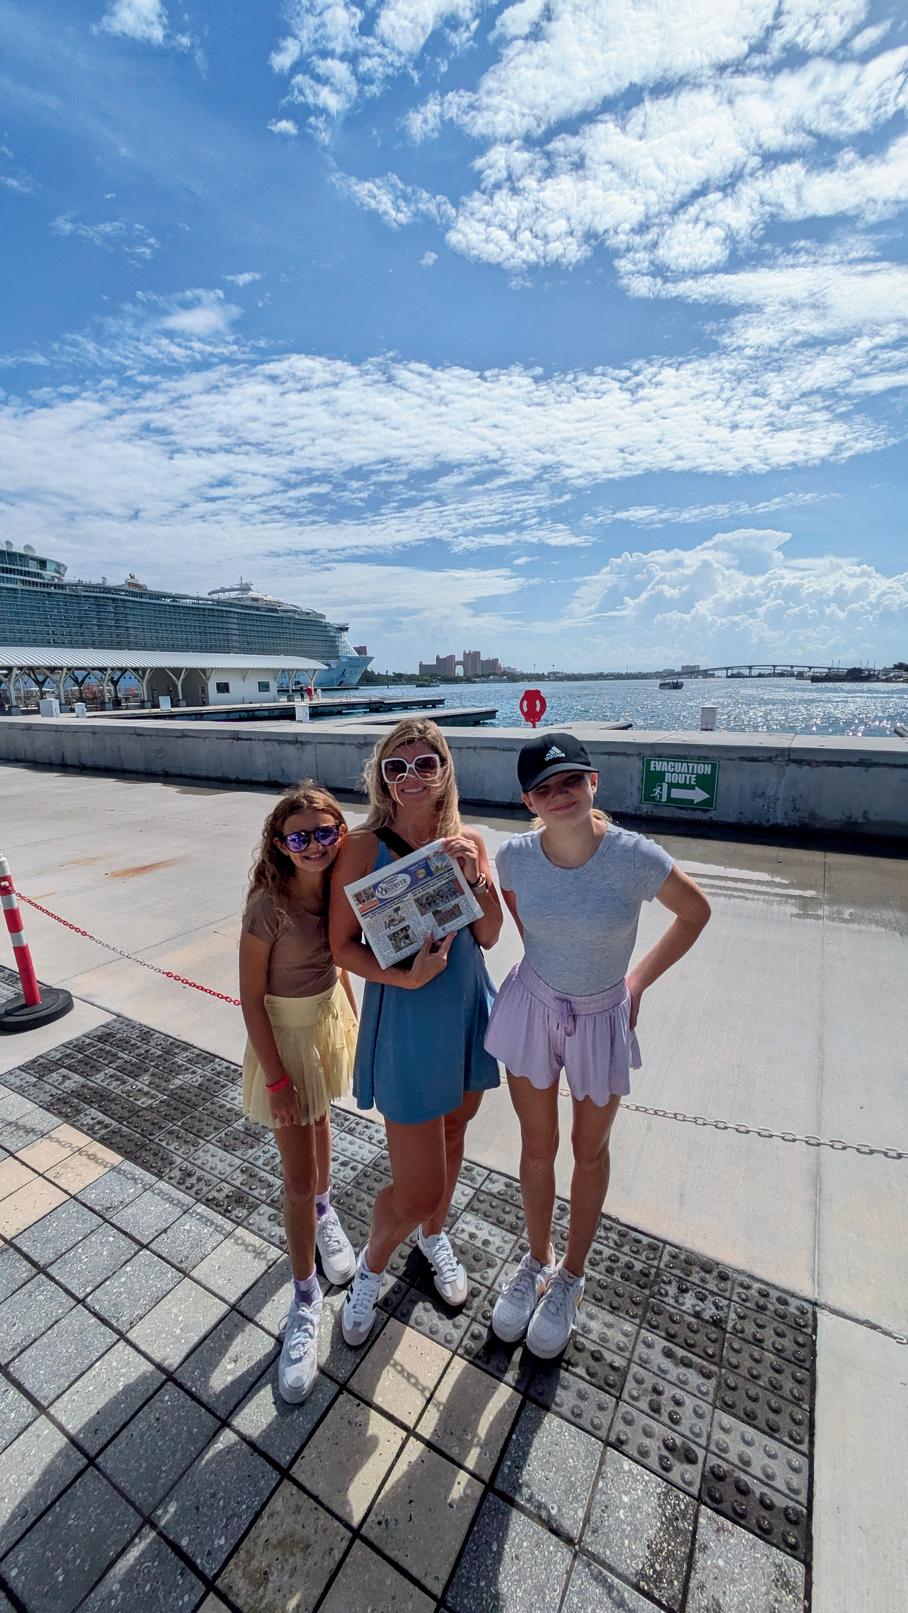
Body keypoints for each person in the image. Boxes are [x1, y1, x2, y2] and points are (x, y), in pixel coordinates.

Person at [484, 732, 711, 1357]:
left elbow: (695, 912)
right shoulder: (514, 857)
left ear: (594, 783)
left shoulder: (634, 856)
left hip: (602, 1016)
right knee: (538, 1147)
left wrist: (636, 982)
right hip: (533, 1006)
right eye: (544, 789)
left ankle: (571, 1276)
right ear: (528, 802)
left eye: (571, 781)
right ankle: (537, 1259)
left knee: (589, 1149)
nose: (560, 795)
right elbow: (521, 919)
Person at [329, 718, 503, 1346]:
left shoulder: (468, 839)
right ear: (381, 776)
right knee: (417, 1185)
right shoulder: (361, 846)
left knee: (454, 1132)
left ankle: (433, 1236)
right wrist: (404, 978)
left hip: (465, 1007)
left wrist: (474, 876)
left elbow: (490, 936)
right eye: (396, 766)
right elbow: (341, 946)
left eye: (425, 763)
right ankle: (371, 1268)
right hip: (406, 1017)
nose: (410, 777)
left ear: (444, 770)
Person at [239, 782, 360, 1402]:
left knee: (321, 1121)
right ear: (280, 843)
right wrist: (277, 1079)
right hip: (284, 1041)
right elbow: (250, 998)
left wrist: (354, 1019)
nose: (314, 845)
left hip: (326, 1022)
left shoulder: (341, 888)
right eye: (299, 836)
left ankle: (324, 1210)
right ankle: (305, 1296)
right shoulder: (269, 906)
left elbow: (341, 962)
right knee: (295, 1175)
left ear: (341, 833)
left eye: (325, 832)